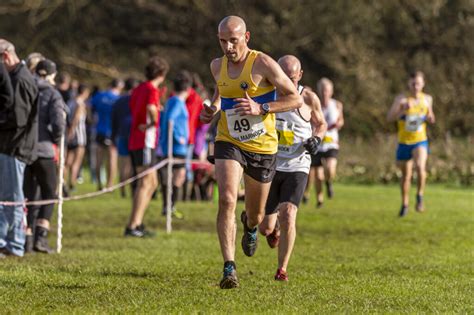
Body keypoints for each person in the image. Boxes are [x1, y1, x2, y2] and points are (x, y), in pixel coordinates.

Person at [199, 16, 302, 289]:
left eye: (233, 40)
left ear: (246, 37)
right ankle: (229, 267)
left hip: (262, 147)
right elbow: (221, 94)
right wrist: (212, 108)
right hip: (228, 140)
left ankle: (251, 226)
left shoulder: (263, 64)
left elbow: (295, 98)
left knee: (256, 214)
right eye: (223, 41)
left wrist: (261, 108)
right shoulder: (216, 66)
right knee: (227, 200)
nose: (228, 47)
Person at [259, 55, 327, 281]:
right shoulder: (266, 93)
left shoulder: (308, 97)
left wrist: (316, 139)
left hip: (298, 165)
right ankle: (273, 228)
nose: (286, 81)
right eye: (282, 75)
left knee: (289, 214)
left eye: (291, 76)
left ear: (299, 75)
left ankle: (282, 269)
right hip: (271, 164)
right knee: (264, 229)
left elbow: (321, 123)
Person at [23, 59, 66, 254]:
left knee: (29, 195)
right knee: (49, 194)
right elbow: (58, 123)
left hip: (24, 150)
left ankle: (27, 239)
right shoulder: (52, 93)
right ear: (51, 75)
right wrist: (55, 138)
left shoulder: (25, 88)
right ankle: (41, 235)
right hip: (45, 150)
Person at [0, 39, 38, 258]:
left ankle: (15, 245)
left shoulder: (21, 80)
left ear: (6, 56)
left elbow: (19, 119)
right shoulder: (14, 77)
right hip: (8, 146)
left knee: (13, 198)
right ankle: (5, 241)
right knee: (5, 197)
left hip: (16, 147)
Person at [125, 56, 169, 237]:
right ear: (161, 74)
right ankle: (133, 225)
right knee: (145, 183)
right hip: (145, 140)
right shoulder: (152, 89)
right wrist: (153, 122)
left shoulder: (138, 89)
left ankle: (138, 222)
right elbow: (151, 108)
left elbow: (134, 107)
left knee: (152, 182)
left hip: (137, 139)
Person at [387, 71, 435, 217]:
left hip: (420, 140)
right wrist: (402, 110)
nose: (415, 86)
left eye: (418, 84)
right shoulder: (401, 99)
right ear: (409, 84)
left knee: (421, 167)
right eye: (413, 84)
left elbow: (432, 118)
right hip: (404, 142)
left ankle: (420, 196)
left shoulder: (427, 99)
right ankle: (405, 203)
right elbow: (390, 118)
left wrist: (429, 116)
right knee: (406, 176)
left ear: (423, 84)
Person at [306, 78, 344, 208]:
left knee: (330, 168)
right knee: (317, 175)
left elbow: (341, 121)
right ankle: (320, 199)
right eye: (322, 90)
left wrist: (338, 124)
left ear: (331, 91)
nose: (324, 93)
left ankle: (329, 182)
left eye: (327, 90)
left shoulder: (337, 105)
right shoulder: (314, 104)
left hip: (331, 143)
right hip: (318, 142)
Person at [158, 71, 191, 217]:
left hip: (168, 145)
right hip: (177, 147)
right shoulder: (177, 102)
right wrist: (179, 137)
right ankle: (170, 206)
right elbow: (170, 119)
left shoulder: (170, 100)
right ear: (188, 89)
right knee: (179, 175)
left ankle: (167, 207)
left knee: (169, 176)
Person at [91, 79, 123, 190]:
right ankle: (109, 185)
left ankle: (99, 184)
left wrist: (92, 121)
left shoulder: (99, 96)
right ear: (119, 87)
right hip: (112, 132)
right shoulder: (118, 99)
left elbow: (90, 108)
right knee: (112, 159)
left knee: (98, 159)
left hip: (99, 130)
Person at [111, 78, 139, 198]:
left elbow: (113, 119)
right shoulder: (136, 99)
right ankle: (133, 189)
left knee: (123, 164)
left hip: (121, 134)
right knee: (134, 165)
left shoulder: (118, 101)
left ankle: (122, 190)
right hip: (134, 133)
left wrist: (113, 135)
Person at [65, 84, 90, 192]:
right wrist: (71, 131)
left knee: (67, 162)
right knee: (76, 162)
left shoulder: (70, 102)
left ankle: (63, 182)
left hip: (70, 135)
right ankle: (72, 183)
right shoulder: (80, 104)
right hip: (78, 137)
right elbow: (76, 119)